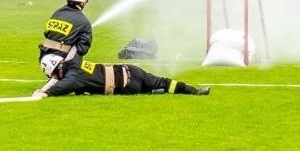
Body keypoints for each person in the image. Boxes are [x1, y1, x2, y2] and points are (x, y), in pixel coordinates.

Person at [33, 57, 209, 98]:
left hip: (126, 85)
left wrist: (45, 93)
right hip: (131, 70)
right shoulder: (76, 64)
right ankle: (194, 91)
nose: (56, 77)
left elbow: (65, 86)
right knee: (164, 82)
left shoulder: (74, 76)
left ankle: (156, 91)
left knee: (151, 88)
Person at [38, 0, 93, 77]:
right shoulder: (84, 22)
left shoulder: (56, 13)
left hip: (44, 60)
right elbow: (83, 49)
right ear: (83, 2)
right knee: (78, 50)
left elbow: (47, 34)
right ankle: (68, 76)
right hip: (62, 64)